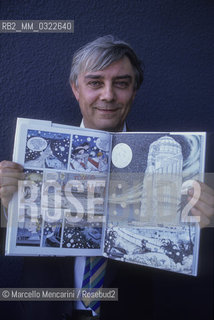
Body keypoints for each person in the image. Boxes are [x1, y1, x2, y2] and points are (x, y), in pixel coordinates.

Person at [0, 35, 214, 320]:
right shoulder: (26, 158)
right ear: (76, 89)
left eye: (121, 84)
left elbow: (189, 266)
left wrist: (205, 229)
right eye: (95, 82)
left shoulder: (174, 170)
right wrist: (5, 205)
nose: (108, 95)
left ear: (134, 91)